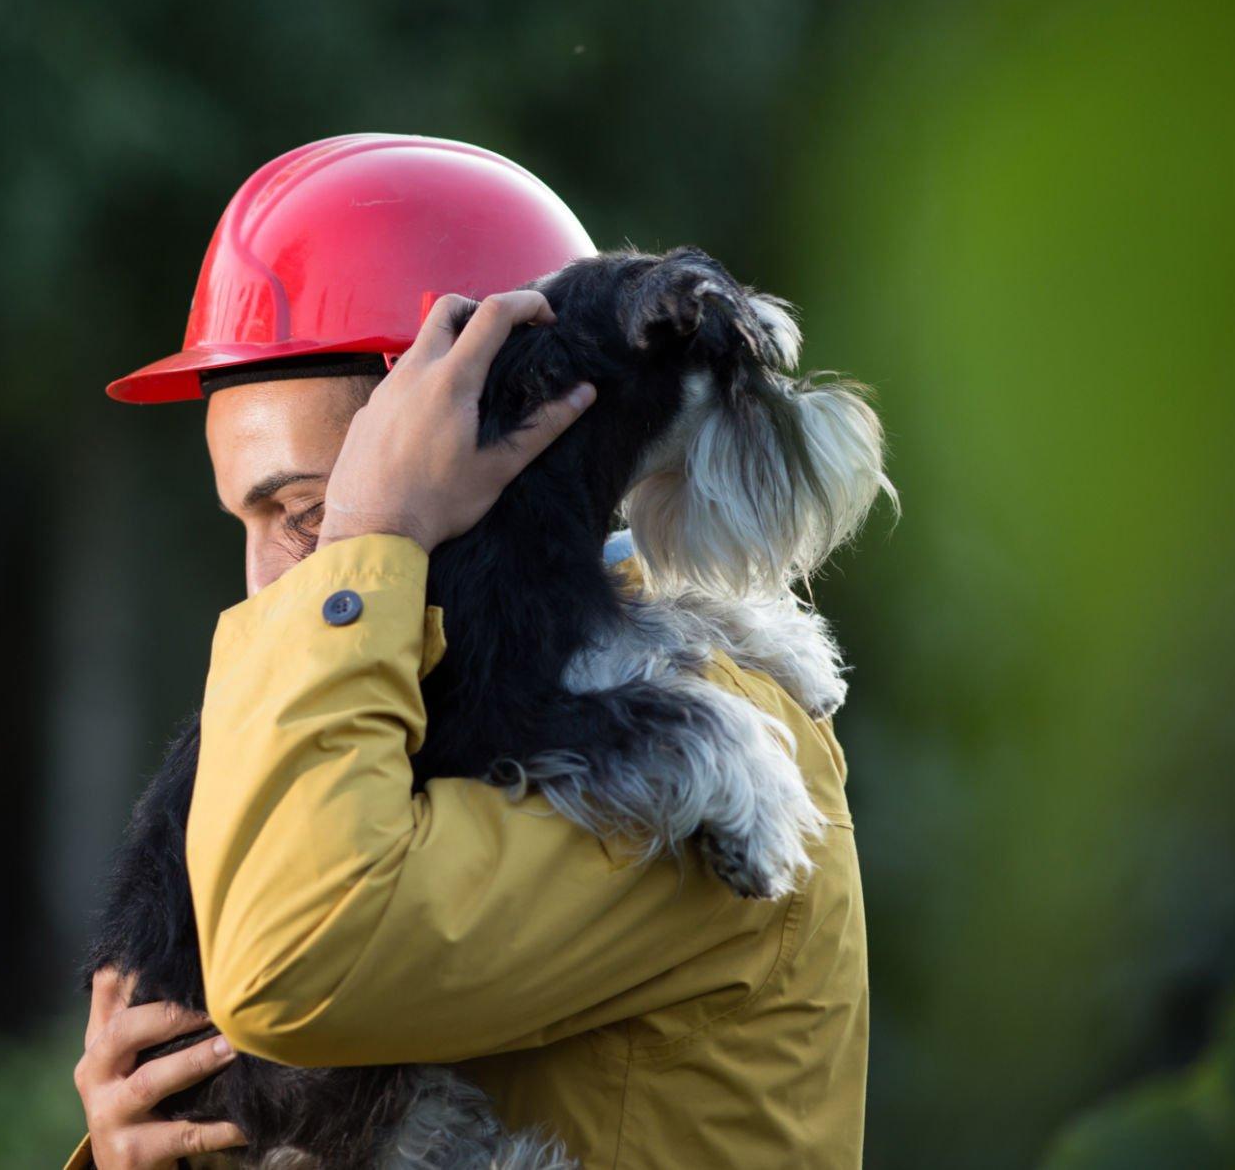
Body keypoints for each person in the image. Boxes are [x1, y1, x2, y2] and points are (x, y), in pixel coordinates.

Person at [66, 135, 866, 1169]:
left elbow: (295, 967)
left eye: (309, 512)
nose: (270, 585)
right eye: (249, 522)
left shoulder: (697, 742)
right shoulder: (404, 707)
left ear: (501, 439)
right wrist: (148, 1145)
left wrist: (367, 547)